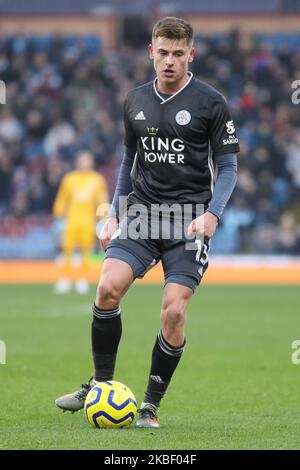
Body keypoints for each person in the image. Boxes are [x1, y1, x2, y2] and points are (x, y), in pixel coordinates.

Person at [55, 17, 239, 427]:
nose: (169, 61)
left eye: (178, 54)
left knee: (173, 312)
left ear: (190, 55)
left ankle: (150, 406)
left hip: (189, 220)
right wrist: (114, 215)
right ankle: (100, 387)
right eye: (162, 53)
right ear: (150, 53)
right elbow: (128, 160)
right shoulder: (135, 100)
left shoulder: (211, 103)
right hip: (141, 214)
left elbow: (227, 166)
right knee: (107, 287)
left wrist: (213, 214)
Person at [53, 150, 109, 294]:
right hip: (71, 219)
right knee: (67, 250)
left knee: (86, 251)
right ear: (77, 162)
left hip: (88, 221)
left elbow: (102, 200)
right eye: (83, 160)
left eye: (87, 160)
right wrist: (59, 214)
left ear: (92, 162)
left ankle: (82, 279)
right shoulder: (69, 179)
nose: (85, 163)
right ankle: (64, 279)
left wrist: (104, 219)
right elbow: (62, 199)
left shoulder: (97, 180)